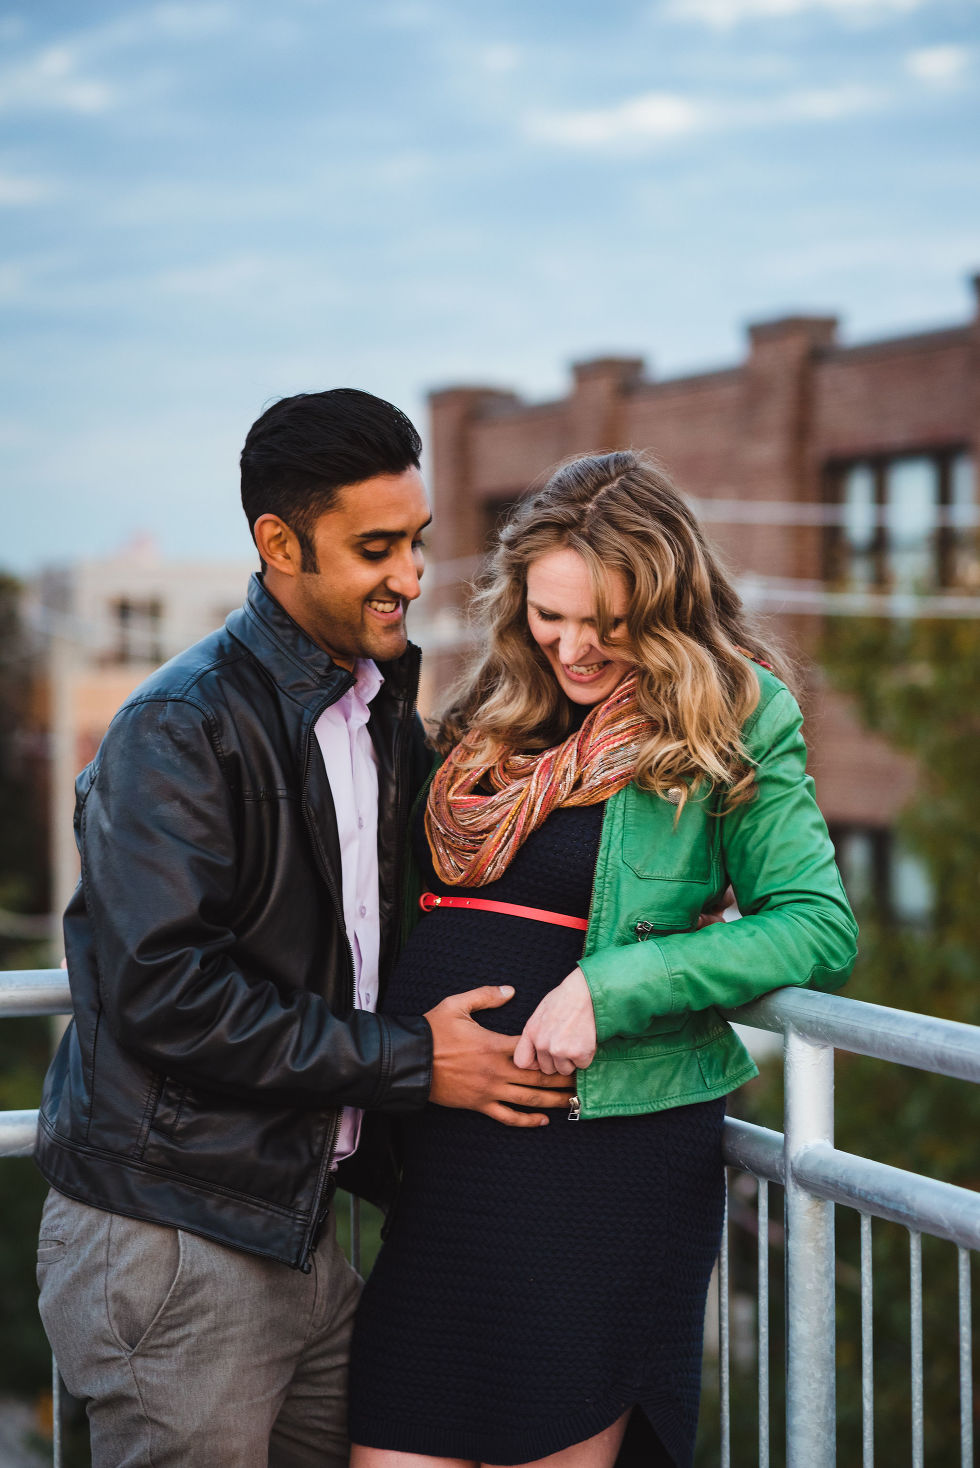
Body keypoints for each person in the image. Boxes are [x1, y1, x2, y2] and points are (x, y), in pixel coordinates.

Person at [33, 388, 571, 1468]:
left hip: (301, 1226)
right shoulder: (179, 728)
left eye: (416, 541)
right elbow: (165, 993)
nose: (411, 576)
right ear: (278, 543)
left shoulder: (366, 706)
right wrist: (419, 1063)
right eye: (375, 547)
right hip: (176, 1242)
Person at [347, 450, 858, 1468]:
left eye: (607, 625)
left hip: (602, 1159)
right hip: (450, 1160)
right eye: (549, 615)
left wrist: (608, 985)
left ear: (664, 603)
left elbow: (814, 924)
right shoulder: (495, 707)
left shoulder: (734, 711)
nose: (573, 648)